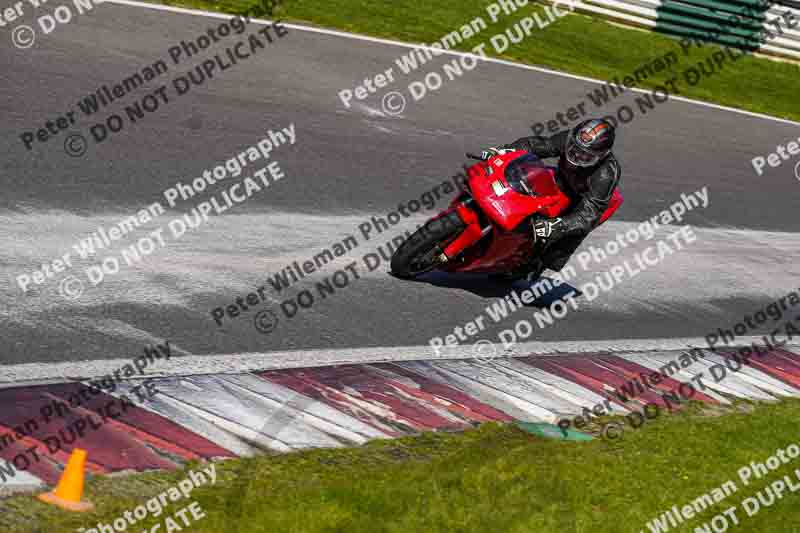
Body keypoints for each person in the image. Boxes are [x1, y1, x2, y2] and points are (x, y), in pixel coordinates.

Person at [483, 118, 621, 280]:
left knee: (563, 235)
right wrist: (505, 151)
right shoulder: (571, 138)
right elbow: (540, 145)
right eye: (575, 149)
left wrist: (557, 226)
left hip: (585, 200)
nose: (576, 155)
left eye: (585, 155)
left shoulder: (606, 174)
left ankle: (537, 265)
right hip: (561, 180)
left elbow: (588, 214)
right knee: (524, 177)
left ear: (601, 156)